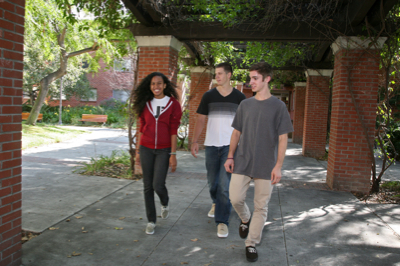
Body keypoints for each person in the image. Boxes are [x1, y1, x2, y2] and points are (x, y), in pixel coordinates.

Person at [224, 62, 293, 262]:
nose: (250, 82)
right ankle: (245, 218)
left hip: (266, 164)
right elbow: (236, 132)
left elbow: (282, 138)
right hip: (243, 160)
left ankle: (251, 243)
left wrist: (278, 166)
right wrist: (230, 155)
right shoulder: (245, 104)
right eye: (250, 78)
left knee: (261, 206)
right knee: (235, 198)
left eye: (255, 78)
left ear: (267, 79)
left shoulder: (279, 107)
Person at [191, 62, 246, 238]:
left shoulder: (240, 97)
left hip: (230, 148)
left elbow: (245, 124)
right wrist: (194, 141)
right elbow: (200, 119)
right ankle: (216, 203)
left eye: (220, 73)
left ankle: (222, 221)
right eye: (216, 74)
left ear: (229, 75)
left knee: (224, 185)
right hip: (211, 146)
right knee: (212, 182)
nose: (217, 77)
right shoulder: (208, 96)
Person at [133, 72, 182, 235]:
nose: (156, 87)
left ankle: (165, 202)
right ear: (150, 86)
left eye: (159, 83)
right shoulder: (145, 103)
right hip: (146, 148)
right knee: (147, 186)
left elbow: (174, 130)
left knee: (157, 185)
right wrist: (138, 151)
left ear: (165, 85)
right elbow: (141, 128)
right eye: (153, 84)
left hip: (164, 150)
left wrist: (173, 154)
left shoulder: (173, 104)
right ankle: (151, 221)